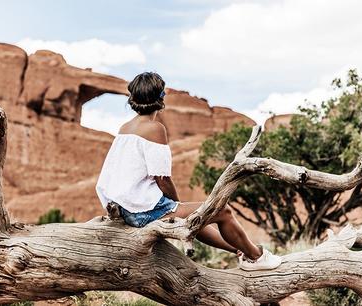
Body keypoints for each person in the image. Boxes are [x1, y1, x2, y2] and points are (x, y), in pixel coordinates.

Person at [95, 72, 281, 271]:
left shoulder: (125, 128)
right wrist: (175, 204)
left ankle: (240, 251)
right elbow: (162, 179)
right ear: (161, 98)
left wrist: (177, 208)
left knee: (197, 215)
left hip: (123, 208)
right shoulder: (154, 128)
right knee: (222, 210)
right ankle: (257, 257)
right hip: (140, 211)